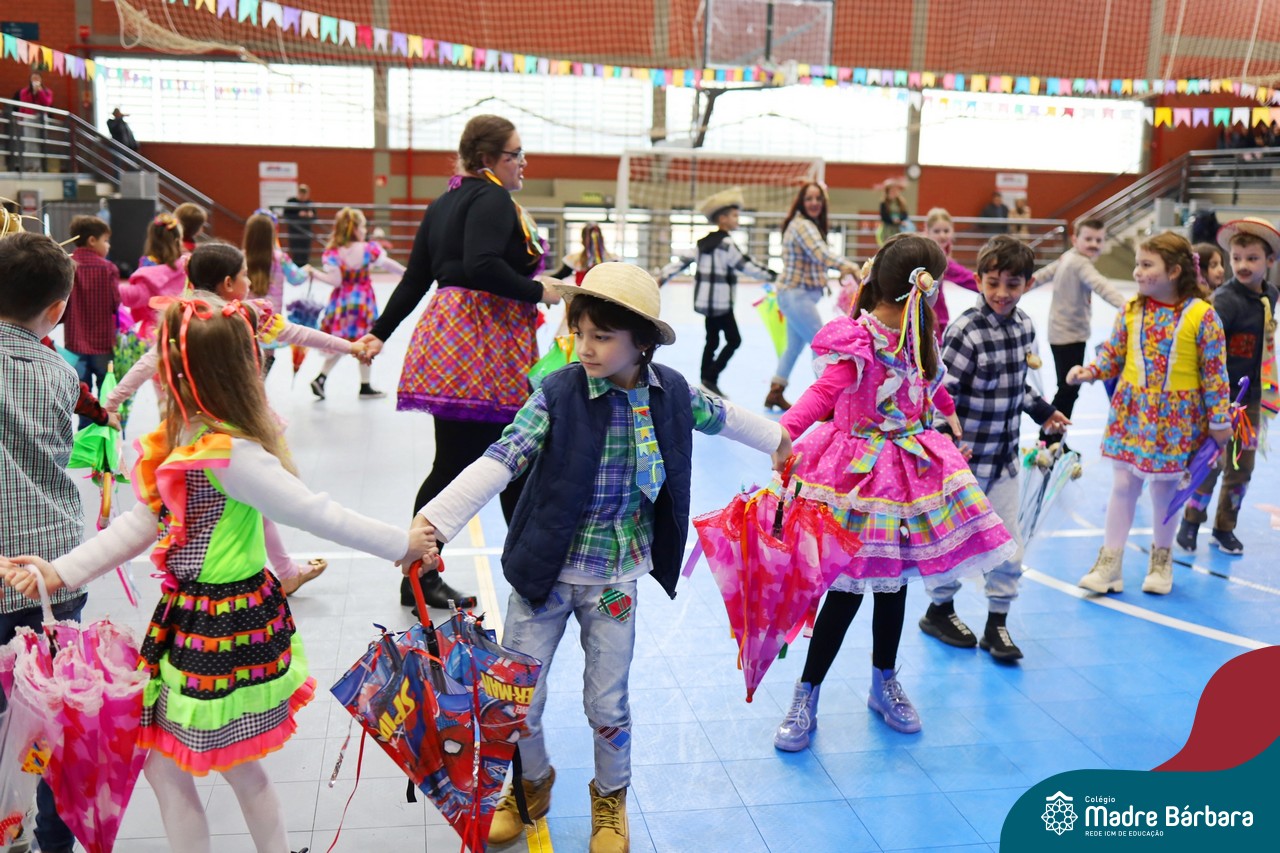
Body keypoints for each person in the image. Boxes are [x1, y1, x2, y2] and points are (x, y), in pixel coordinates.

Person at [2, 294, 435, 853]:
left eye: (165, 364)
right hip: (189, 622)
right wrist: (58, 572)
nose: (159, 377)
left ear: (187, 374)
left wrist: (401, 544)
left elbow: (315, 512)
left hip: (224, 630)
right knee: (177, 765)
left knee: (222, 766)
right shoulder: (185, 440)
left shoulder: (230, 453)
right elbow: (142, 522)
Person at [417, 263, 791, 853]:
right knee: (515, 698)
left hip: (616, 579)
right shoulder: (558, 393)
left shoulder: (671, 395)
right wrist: (435, 521)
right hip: (543, 576)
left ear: (640, 341)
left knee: (608, 702)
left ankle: (611, 799)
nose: (585, 347)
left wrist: (779, 440)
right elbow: (504, 456)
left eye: (601, 336)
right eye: (580, 333)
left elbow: (722, 416)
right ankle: (530, 784)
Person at [772, 234, 1017, 748]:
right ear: (919, 288)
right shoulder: (859, 340)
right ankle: (807, 693)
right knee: (843, 593)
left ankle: (884, 682)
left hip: (906, 473)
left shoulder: (918, 335)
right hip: (856, 480)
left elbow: (930, 382)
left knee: (895, 587)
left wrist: (947, 413)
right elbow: (822, 394)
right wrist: (781, 434)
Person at [359, 114, 560, 613]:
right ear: (488, 158)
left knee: (471, 462)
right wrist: (539, 290)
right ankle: (509, 572)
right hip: (482, 344)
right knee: (504, 459)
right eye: (515, 154)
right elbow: (482, 264)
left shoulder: (444, 202)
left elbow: (415, 279)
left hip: (453, 340)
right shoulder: (492, 198)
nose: (522, 163)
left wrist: (379, 332)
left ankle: (434, 575)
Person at [106, 242, 362, 596]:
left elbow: (148, 362)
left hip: (196, 429)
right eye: (244, 276)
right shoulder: (242, 315)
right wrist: (352, 346)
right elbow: (297, 333)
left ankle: (271, 568)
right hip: (238, 425)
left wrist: (111, 402)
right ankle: (274, 570)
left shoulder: (183, 318)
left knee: (238, 500)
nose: (249, 282)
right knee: (262, 495)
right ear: (228, 283)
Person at [917, 236, 1070, 662]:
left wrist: (1044, 411)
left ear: (1028, 284)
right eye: (993, 283)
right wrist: (948, 444)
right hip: (963, 465)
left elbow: (1017, 386)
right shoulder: (965, 330)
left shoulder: (1025, 327)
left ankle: (996, 621)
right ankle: (940, 610)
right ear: (979, 280)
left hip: (1004, 461)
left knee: (1008, 546)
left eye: (1013, 284)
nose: (1002, 293)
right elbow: (940, 395)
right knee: (950, 541)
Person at [1070, 232, 1230, 595]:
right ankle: (1110, 563)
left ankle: (1161, 560)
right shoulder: (1132, 310)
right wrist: (1090, 371)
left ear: (1174, 271)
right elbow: (1114, 353)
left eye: (1146, 265)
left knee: (1164, 491)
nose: (1137, 272)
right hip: (1132, 413)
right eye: (1137, 264)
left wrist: (1220, 422)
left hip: (1176, 420)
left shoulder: (1202, 316)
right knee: (1123, 485)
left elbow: (1215, 375)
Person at [0, 230, 89, 853]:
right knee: (51, 715)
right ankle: (54, 839)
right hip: (50, 573)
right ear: (56, 310)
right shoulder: (59, 373)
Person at [1178, 218, 1280, 555]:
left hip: (1251, 400)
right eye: (1236, 258)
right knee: (1211, 464)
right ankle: (1191, 522)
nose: (1242, 265)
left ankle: (1225, 528)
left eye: (1252, 258)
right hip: (1220, 400)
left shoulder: (1271, 295)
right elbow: (1204, 349)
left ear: (1270, 260)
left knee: (1241, 469)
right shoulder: (1224, 301)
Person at [656, 187, 776, 398]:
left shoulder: (703, 243)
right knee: (734, 340)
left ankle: (706, 380)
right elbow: (747, 265)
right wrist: (774, 275)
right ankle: (711, 377)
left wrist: (662, 277)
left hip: (705, 303)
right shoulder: (727, 244)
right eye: (734, 215)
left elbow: (682, 262)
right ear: (722, 219)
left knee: (712, 340)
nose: (737, 219)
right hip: (721, 304)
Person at [1030, 217, 1127, 446]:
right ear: (1075, 239)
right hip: (1069, 336)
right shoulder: (1080, 263)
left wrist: (1023, 285)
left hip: (1061, 333)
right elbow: (1101, 286)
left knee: (1067, 387)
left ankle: (1054, 437)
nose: (1094, 244)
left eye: (1099, 240)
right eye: (1088, 239)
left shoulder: (1069, 257)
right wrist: (1130, 307)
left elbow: (1039, 277)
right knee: (1068, 389)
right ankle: (1050, 438)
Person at [766, 182, 859, 411]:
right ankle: (827, 401)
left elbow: (818, 257)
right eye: (809, 198)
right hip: (796, 295)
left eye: (818, 198)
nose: (814, 203)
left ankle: (775, 391)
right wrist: (849, 266)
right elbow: (821, 254)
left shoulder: (804, 224)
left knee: (794, 347)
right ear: (801, 202)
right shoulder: (803, 225)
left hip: (794, 295)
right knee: (821, 345)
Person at [308, 207, 405, 400]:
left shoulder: (334, 252)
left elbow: (335, 281)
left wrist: (314, 273)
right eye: (363, 227)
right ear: (355, 228)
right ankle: (365, 385)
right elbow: (387, 264)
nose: (365, 230)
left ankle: (321, 377)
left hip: (342, 304)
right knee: (365, 341)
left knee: (341, 342)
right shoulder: (368, 249)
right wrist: (407, 274)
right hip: (363, 303)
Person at [62, 215, 120, 420]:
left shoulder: (67, 266)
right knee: (107, 393)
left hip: (74, 343)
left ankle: (84, 432)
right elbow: (115, 303)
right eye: (106, 240)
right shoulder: (109, 269)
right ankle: (104, 431)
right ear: (92, 240)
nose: (108, 245)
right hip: (103, 342)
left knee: (83, 398)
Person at [243, 209, 309, 375]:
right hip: (270, 320)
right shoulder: (280, 258)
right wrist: (306, 270)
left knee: (249, 353)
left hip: (247, 316)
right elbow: (297, 278)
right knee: (267, 355)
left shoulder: (241, 258)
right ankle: (261, 382)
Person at [119, 212, 188, 343]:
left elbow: (131, 296)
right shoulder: (187, 266)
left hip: (155, 332)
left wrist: (106, 283)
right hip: (183, 327)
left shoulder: (149, 274)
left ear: (151, 241)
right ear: (178, 240)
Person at [922, 207, 980, 338]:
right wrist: (985, 284)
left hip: (936, 309)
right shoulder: (931, 257)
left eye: (946, 231)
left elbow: (964, 276)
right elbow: (964, 277)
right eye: (937, 231)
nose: (942, 235)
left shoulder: (943, 254)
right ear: (927, 231)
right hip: (927, 312)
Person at [551, 222, 616, 283]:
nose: (592, 243)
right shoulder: (575, 259)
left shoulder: (611, 260)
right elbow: (560, 275)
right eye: (589, 240)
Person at [281, 183, 317, 265]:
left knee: (305, 253)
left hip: (306, 233)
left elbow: (315, 217)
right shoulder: (291, 201)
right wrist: (298, 215)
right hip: (294, 232)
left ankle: (304, 267)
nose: (303, 195)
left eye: (305, 193)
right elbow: (286, 215)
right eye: (301, 193)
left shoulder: (309, 203)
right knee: (296, 253)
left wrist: (311, 215)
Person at [876, 180, 911, 245]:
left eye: (895, 191)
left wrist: (900, 220)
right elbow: (884, 217)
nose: (894, 193)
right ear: (887, 192)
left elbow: (905, 214)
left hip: (898, 229)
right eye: (892, 191)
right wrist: (892, 220)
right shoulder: (884, 203)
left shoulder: (900, 202)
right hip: (887, 230)